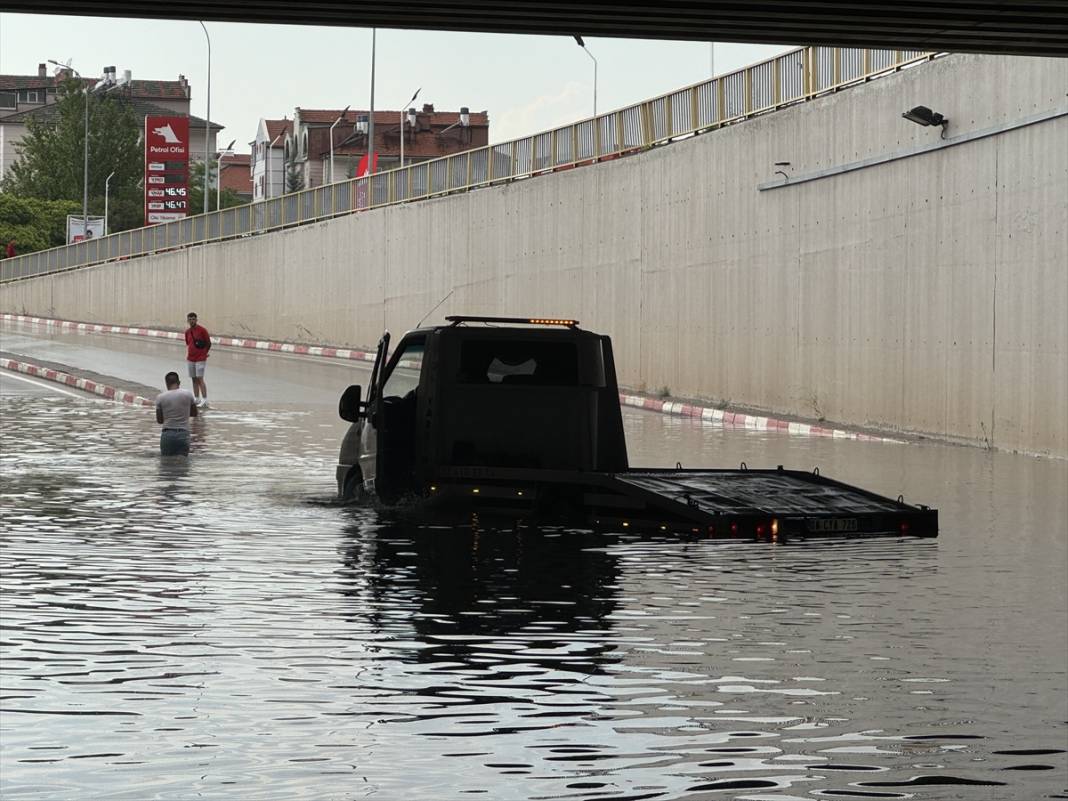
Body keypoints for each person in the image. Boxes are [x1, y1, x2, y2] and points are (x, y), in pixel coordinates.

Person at [155, 371, 198, 455]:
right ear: (179, 382)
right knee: (183, 464)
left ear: (166, 383)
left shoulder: (160, 397)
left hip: (167, 434)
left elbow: (160, 420)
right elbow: (194, 413)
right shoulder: (188, 394)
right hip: (183, 434)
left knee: (166, 464)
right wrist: (183, 412)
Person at [184, 311, 212, 407]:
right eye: (190, 319)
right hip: (190, 358)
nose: (192, 321)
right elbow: (188, 343)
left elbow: (208, 343)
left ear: (196, 320)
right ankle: (196, 398)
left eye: (193, 319)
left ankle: (204, 399)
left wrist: (204, 353)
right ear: (187, 320)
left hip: (200, 358)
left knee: (200, 378)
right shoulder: (187, 332)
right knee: (193, 378)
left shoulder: (202, 330)